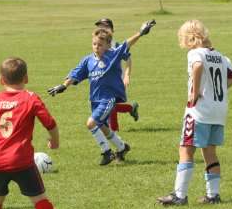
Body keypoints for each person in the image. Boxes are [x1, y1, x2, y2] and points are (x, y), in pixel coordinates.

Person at [48, 19, 156, 166]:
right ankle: (122, 148)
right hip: (95, 100)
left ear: (108, 45)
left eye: (100, 45)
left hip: (108, 98)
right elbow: (76, 73)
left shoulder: (112, 55)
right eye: (94, 44)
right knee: (103, 128)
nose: (96, 47)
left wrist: (141, 32)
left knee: (91, 123)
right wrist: (64, 85)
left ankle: (107, 152)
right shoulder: (88, 60)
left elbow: (127, 44)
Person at [157, 20, 232, 206]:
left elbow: (197, 66)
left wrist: (195, 93)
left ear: (187, 38)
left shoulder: (195, 53)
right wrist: (218, 92)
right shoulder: (219, 55)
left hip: (199, 111)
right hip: (218, 111)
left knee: (185, 149)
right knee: (210, 152)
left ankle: (180, 196)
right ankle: (213, 196)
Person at [0, 57, 59, 209]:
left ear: (1, 80)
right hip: (21, 161)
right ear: (26, 78)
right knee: (40, 199)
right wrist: (55, 140)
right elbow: (49, 123)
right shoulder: (30, 97)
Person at [94, 18, 139, 131]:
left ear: (112, 31)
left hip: (115, 80)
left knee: (110, 104)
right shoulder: (97, 44)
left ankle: (114, 130)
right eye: (100, 28)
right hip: (103, 80)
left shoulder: (116, 46)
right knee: (107, 104)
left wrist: (127, 75)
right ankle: (131, 107)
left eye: (106, 28)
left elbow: (128, 59)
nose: (102, 30)